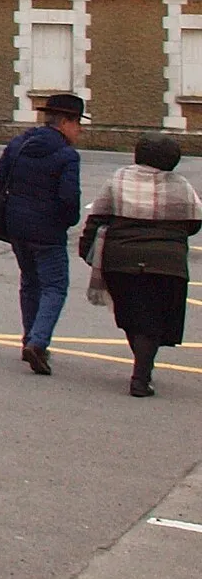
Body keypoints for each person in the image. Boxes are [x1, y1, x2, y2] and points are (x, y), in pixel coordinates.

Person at [80, 134, 202, 396]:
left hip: (120, 259)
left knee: (131, 316)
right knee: (155, 320)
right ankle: (141, 374)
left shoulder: (119, 179)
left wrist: (86, 248)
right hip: (167, 262)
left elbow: (97, 216)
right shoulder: (181, 185)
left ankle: (141, 369)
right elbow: (193, 223)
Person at [0, 92, 82, 374]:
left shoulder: (19, 144)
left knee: (30, 282)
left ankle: (29, 338)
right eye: (78, 124)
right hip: (48, 230)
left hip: (16, 226)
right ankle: (38, 342)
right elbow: (69, 199)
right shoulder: (67, 155)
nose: (80, 131)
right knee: (55, 286)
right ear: (66, 122)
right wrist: (67, 222)